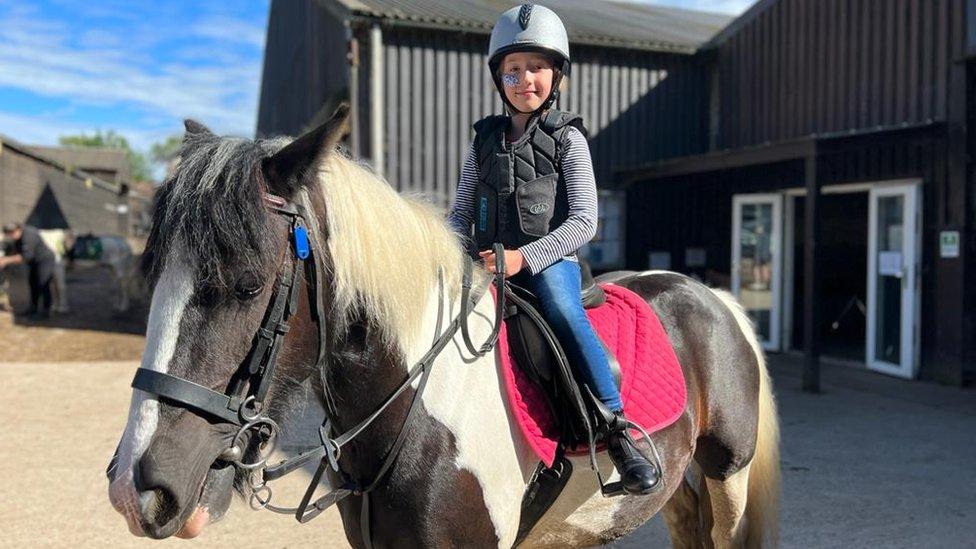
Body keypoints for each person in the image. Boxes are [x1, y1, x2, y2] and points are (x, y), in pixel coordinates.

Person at [447, 4, 660, 494]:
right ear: (499, 77)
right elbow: (461, 212)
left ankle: (618, 427)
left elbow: (586, 219)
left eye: (537, 67)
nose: (525, 80)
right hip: (487, 261)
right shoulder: (481, 142)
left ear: (557, 73)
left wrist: (526, 258)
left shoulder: (569, 139)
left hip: (548, 261)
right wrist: (448, 248)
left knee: (563, 310)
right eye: (513, 70)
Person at [0, 223, 56, 319]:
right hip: (33, 262)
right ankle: (33, 308)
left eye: (12, 233)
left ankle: (46, 312)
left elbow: (26, 255)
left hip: (44, 260)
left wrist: (6, 260)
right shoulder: (17, 236)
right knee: (33, 283)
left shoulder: (29, 235)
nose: (11, 236)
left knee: (43, 284)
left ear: (18, 229)